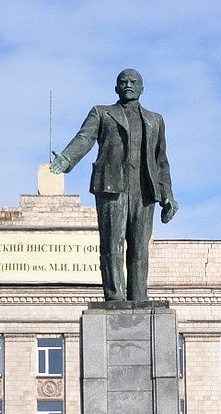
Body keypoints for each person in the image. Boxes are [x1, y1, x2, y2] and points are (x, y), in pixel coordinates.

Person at [50, 68, 178, 302]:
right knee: (112, 245)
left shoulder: (155, 120)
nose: (128, 84)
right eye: (123, 82)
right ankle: (115, 296)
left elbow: (161, 160)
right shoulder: (102, 113)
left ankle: (139, 296)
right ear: (116, 88)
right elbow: (85, 138)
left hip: (145, 190)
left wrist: (167, 194)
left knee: (140, 248)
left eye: (133, 81)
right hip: (111, 187)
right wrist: (67, 158)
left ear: (142, 88)